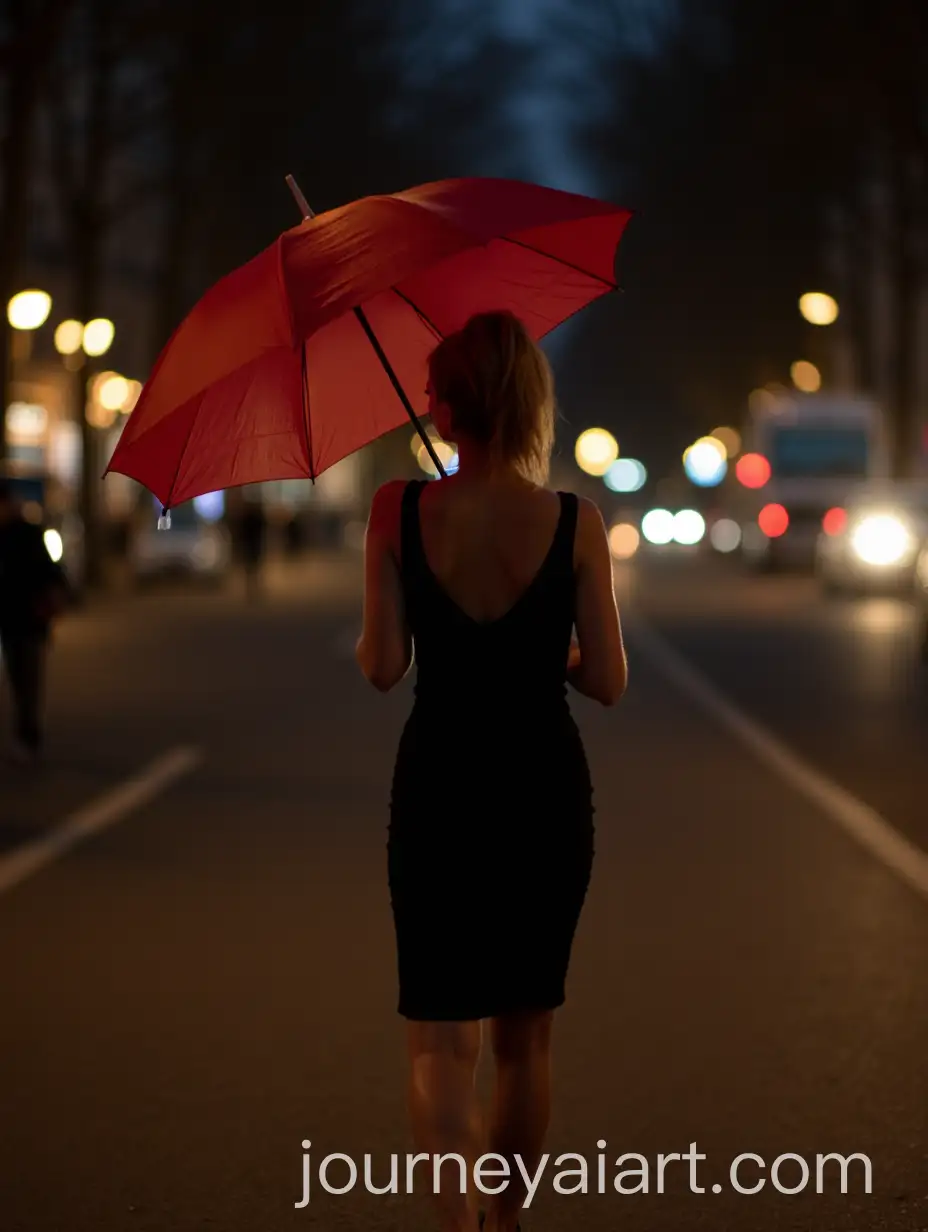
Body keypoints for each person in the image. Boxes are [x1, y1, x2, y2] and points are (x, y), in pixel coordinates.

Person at [355, 310, 628, 1232]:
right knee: (525, 1038)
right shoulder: (575, 521)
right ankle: (505, 1222)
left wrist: (393, 615)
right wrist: (546, 655)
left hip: (438, 786)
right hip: (543, 791)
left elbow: (385, 667)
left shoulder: (396, 510)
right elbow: (608, 682)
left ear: (451, 404)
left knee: (438, 1039)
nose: (423, 399)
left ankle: (454, 1227)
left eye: (432, 386)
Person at [0, 479, 69, 762]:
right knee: (21, 679)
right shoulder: (10, 534)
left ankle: (29, 734)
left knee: (27, 679)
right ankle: (27, 733)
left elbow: (51, 572)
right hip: (14, 618)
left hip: (27, 619)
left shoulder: (27, 534)